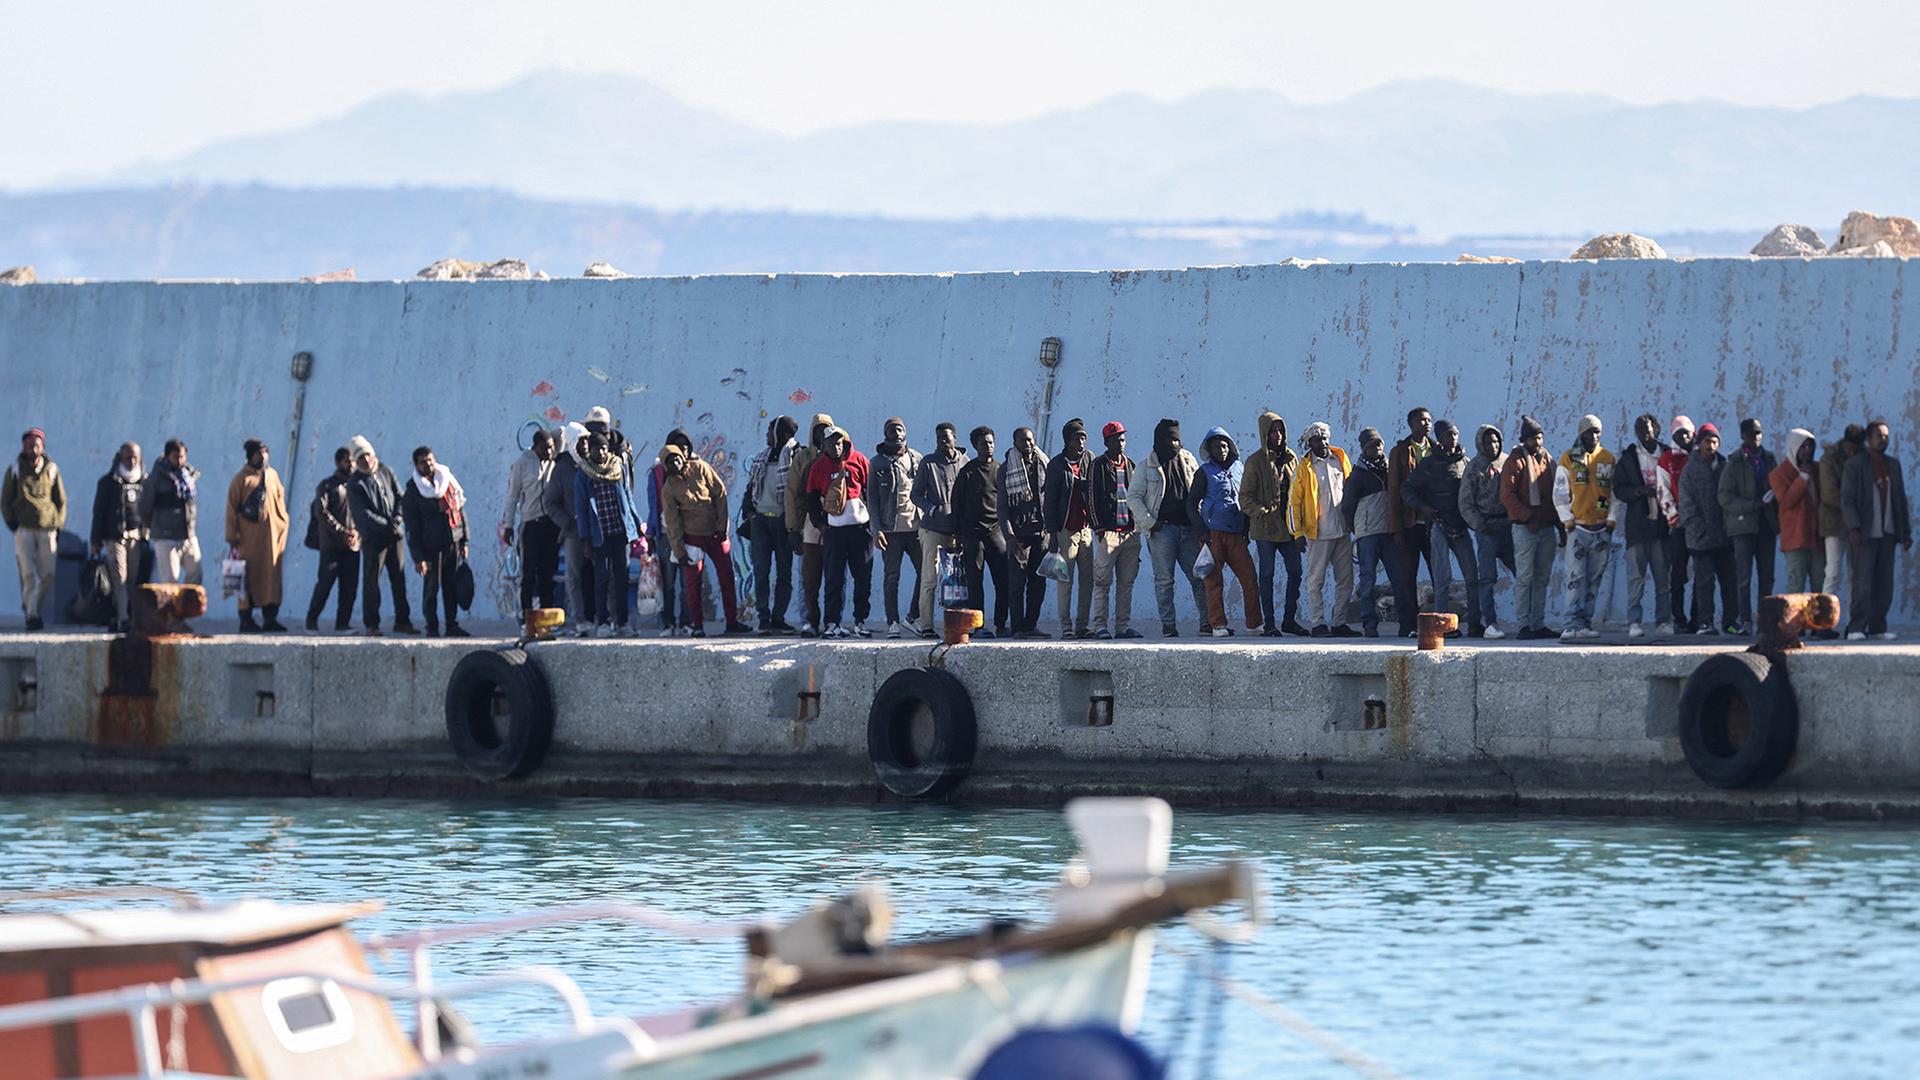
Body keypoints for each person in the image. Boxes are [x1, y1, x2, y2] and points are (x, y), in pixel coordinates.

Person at [1125, 418, 1207, 637]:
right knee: (1164, 581)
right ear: (1159, 440)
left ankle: (1207, 623)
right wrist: (1151, 522)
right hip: (1163, 531)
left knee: (1199, 576)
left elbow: (1199, 487)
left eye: (1177, 440)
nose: (1174, 444)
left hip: (1189, 529)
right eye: (1169, 439)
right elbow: (1133, 497)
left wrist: (1200, 520)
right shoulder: (1146, 466)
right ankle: (1169, 626)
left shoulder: (1188, 458)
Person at [661, 439, 750, 638]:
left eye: (677, 458)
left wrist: (722, 526)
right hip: (692, 540)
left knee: (727, 577)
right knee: (693, 584)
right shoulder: (668, 488)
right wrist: (679, 550)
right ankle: (697, 625)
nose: (675, 463)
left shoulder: (701, 468)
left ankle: (732, 622)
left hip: (715, 535)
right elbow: (672, 520)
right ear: (665, 466)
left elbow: (720, 494)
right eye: (669, 461)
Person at [1405, 420, 1480, 637]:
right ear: (1440, 438)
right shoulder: (1430, 464)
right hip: (1439, 525)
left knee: (1472, 576)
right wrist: (1423, 508)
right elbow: (1407, 488)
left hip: (1460, 526)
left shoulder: (1465, 462)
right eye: (1448, 435)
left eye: (1455, 434)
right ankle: (1442, 626)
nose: (1453, 438)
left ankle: (1475, 624)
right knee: (1442, 578)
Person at [1240, 412, 1308, 637]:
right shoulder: (1255, 461)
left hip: (1289, 527)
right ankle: (1269, 623)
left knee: (1296, 572)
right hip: (1265, 529)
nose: (1277, 435)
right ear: (1264, 433)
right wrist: (1262, 512)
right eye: (1272, 431)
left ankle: (1289, 620)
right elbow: (1245, 497)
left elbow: (1300, 491)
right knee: (1266, 575)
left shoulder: (1291, 458)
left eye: (1280, 430)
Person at [1841, 420, 1911, 640]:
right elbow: (1847, 499)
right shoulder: (1855, 465)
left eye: (1887, 436)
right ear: (1869, 438)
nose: (1884, 439)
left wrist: (1905, 533)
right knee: (1862, 583)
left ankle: (1878, 627)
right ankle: (1856, 627)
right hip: (1864, 533)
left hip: (1888, 533)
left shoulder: (1893, 464)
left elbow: (1900, 499)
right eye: (1880, 435)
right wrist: (1853, 527)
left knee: (1884, 585)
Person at [1189, 425, 1260, 638]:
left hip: (1237, 534)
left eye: (1224, 445)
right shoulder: (1203, 472)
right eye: (1216, 447)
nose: (1221, 450)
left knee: (1249, 579)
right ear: (1209, 450)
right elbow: (1192, 503)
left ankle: (1255, 624)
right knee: (1213, 582)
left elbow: (1246, 499)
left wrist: (1246, 530)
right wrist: (1201, 531)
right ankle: (1218, 625)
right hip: (1213, 535)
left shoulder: (1240, 468)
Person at [1343, 427, 1414, 638]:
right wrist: (1357, 529)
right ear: (1364, 449)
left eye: (1380, 443)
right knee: (1368, 581)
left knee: (1399, 579)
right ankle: (1369, 624)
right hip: (1367, 535)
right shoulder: (1357, 476)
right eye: (1373, 445)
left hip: (1389, 532)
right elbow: (1347, 507)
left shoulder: (1389, 471)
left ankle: (1405, 623)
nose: (1378, 448)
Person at [804, 426, 874, 638]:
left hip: (860, 531)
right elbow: (811, 498)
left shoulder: (860, 460)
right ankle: (832, 622)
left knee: (863, 577)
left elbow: (872, 493)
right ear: (823, 445)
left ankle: (860, 621)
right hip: (834, 532)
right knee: (834, 578)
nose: (836, 447)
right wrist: (820, 525)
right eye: (831, 443)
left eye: (839, 442)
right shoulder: (818, 467)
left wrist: (873, 524)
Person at [345, 435, 418, 637]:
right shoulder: (355, 484)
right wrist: (388, 525)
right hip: (374, 539)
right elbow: (363, 516)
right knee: (372, 582)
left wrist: (398, 517)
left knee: (399, 578)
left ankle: (403, 620)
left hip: (395, 536)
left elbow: (400, 497)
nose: (366, 460)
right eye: (360, 458)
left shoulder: (386, 470)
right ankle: (372, 624)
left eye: (367, 455)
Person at [1289, 422, 1357, 637]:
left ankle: (1339, 623)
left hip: (1343, 531)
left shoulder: (1340, 459)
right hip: (1317, 533)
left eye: (1325, 438)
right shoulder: (1304, 467)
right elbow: (1294, 503)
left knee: (1345, 580)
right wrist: (1297, 533)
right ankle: (1318, 623)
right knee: (1316, 580)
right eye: (1318, 439)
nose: (1323, 442)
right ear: (1310, 443)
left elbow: (1352, 490)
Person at [1553, 414, 1616, 642]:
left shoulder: (1607, 458)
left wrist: (1612, 520)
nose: (1594, 435)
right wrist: (1566, 519)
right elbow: (1560, 492)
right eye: (1590, 431)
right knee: (1575, 577)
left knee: (1594, 578)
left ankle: (1586, 622)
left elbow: (1614, 493)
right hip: (1578, 528)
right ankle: (1570, 624)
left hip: (1601, 529)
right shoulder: (1569, 458)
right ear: (1581, 433)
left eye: (1598, 431)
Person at [1612, 413, 1675, 638]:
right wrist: (1639, 491)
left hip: (1661, 526)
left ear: (1656, 430)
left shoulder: (1667, 454)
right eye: (1639, 429)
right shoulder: (1629, 457)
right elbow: (1618, 488)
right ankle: (1634, 622)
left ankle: (1663, 620)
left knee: (1662, 577)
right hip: (1638, 527)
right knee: (1635, 578)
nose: (1644, 433)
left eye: (1647, 428)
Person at [1499, 415, 1559, 640]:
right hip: (1525, 528)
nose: (1538, 441)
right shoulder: (1515, 461)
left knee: (1542, 577)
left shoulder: (1547, 460)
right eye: (1534, 438)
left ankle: (1538, 623)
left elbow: (1558, 493)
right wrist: (1527, 517)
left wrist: (1559, 526)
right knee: (1525, 577)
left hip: (1546, 528)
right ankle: (1524, 625)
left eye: (1540, 437)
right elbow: (1507, 496)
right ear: (1524, 440)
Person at [400, 446, 470, 638]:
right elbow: (411, 529)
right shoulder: (413, 493)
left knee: (451, 587)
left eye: (430, 459)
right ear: (416, 465)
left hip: (452, 542)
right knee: (431, 590)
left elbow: (460, 510)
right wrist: (418, 557)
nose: (428, 464)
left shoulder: (447, 480)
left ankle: (452, 625)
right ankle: (432, 627)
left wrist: (464, 540)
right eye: (423, 461)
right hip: (430, 548)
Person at [1717, 418, 1778, 636]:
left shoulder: (1769, 459)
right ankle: (1745, 620)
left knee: (1767, 577)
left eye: (1759, 433)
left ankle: (1766, 620)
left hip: (1767, 525)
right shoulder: (1734, 462)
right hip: (1743, 526)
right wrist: (1752, 505)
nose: (1756, 438)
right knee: (1743, 577)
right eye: (1752, 434)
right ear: (1743, 436)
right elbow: (1725, 497)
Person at [741, 415, 800, 634]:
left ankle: (779, 617)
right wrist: (749, 512)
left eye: (770, 431)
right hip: (761, 523)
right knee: (761, 572)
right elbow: (751, 487)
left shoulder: (795, 456)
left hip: (784, 523)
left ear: (782, 434)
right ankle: (763, 618)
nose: (766, 435)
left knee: (784, 573)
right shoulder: (761, 458)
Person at [224, 437, 290, 633]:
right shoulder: (241, 479)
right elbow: (230, 510)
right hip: (248, 541)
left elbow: (280, 503)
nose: (262, 457)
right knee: (248, 578)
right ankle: (246, 619)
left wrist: (283, 524)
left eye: (265, 453)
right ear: (250, 456)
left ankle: (270, 618)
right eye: (258, 454)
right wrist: (231, 536)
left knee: (271, 578)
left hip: (272, 540)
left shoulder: (273, 476)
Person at [3, 429, 66, 631]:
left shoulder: (52, 470)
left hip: (47, 529)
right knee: (28, 574)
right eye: (30, 444)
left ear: (43, 446)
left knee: (48, 574)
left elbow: (61, 500)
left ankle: (31, 604)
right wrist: (12, 522)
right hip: (24, 530)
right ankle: (32, 614)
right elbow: (5, 501)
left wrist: (59, 524)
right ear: (23, 446)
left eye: (37, 444)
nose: (33, 448)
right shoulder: (14, 469)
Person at [1678, 424, 1737, 636]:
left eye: (1714, 442)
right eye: (1706, 441)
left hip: (1724, 537)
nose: (1710, 446)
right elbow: (1685, 503)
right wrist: (1699, 527)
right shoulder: (1690, 469)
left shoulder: (1724, 466)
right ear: (1699, 443)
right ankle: (1705, 622)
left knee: (1730, 583)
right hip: (1700, 538)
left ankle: (1731, 622)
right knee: (1704, 584)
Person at [576, 434, 638, 637]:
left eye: (604, 448)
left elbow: (627, 496)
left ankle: (623, 622)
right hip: (599, 536)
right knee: (601, 579)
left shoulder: (617, 467)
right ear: (590, 451)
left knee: (622, 578)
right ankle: (602, 622)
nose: (601, 452)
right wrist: (585, 539)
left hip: (619, 532)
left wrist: (636, 524)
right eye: (596, 449)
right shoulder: (584, 474)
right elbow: (582, 509)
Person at [1084, 421, 1141, 640]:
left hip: (1130, 532)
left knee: (1126, 583)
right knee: (1102, 582)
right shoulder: (1098, 465)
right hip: (1107, 533)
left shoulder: (1131, 465)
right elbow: (1091, 497)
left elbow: (1137, 496)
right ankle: (1100, 625)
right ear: (1107, 442)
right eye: (1116, 439)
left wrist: (1137, 526)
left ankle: (1122, 626)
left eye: (1123, 439)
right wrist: (1098, 527)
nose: (1121, 443)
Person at [910, 421, 966, 639]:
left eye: (947, 437)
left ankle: (953, 626)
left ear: (955, 437)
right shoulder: (928, 463)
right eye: (939, 438)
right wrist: (931, 509)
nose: (943, 441)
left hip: (956, 530)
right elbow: (916, 494)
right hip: (933, 529)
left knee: (954, 580)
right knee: (929, 579)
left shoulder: (964, 462)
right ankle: (926, 626)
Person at [868, 417, 922, 637]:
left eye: (899, 429)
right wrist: (876, 529)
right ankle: (893, 623)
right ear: (885, 434)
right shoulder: (877, 463)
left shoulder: (916, 458)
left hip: (916, 527)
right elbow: (872, 499)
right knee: (892, 577)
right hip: (891, 531)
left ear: (905, 432)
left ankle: (913, 617)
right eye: (891, 430)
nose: (896, 433)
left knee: (927, 572)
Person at [1457, 424, 1511, 639]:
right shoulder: (1474, 468)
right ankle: (1490, 622)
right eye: (1488, 442)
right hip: (1486, 528)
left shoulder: (1507, 462)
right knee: (1487, 578)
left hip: (1507, 526)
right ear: (1481, 444)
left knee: (1524, 572)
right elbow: (1465, 503)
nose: (1493, 445)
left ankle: (1530, 622)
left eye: (1496, 441)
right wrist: (1479, 524)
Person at [953, 426, 1008, 637]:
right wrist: (957, 534)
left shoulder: (999, 469)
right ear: (976, 446)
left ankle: (1002, 624)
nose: (989, 446)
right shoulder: (967, 472)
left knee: (1002, 579)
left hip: (995, 531)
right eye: (984, 443)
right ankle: (978, 625)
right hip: (972, 534)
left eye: (991, 442)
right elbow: (956, 503)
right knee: (975, 582)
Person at [1043, 419, 1096, 638]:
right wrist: (1053, 533)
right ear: (1067, 441)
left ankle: (1082, 625)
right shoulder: (1056, 465)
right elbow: (1050, 502)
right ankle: (1066, 625)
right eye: (1077, 438)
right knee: (1066, 581)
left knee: (1088, 580)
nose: (1081, 442)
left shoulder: (1090, 459)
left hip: (1085, 530)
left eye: (1083, 438)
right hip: (1065, 531)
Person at [783, 414, 835, 636]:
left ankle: (834, 621)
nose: (822, 434)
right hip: (808, 526)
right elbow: (793, 493)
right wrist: (793, 528)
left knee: (835, 577)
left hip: (836, 525)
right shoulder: (803, 458)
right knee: (808, 577)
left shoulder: (839, 457)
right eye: (818, 430)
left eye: (826, 430)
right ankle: (809, 622)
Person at [998, 426, 1052, 639]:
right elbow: (1002, 507)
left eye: (1030, 440)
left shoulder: (1043, 464)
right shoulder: (1006, 469)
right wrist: (1009, 536)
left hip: (1040, 533)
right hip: (1019, 536)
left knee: (1038, 582)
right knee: (1016, 584)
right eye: (1023, 441)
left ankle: (1031, 624)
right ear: (1015, 443)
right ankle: (1018, 627)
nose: (1027, 445)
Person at [89, 441, 147, 633]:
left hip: (136, 537)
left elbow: (148, 510)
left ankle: (124, 614)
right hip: (115, 538)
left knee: (131, 580)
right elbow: (98, 513)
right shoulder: (108, 482)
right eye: (128, 457)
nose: (131, 461)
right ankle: (123, 619)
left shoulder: (144, 482)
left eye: (135, 457)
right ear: (120, 457)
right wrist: (95, 541)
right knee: (119, 577)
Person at [544, 423, 595, 636]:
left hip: (594, 531)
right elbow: (550, 503)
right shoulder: (562, 469)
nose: (584, 445)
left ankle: (596, 617)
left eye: (586, 440)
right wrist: (568, 523)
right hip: (574, 533)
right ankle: (580, 618)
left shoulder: (591, 464)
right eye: (580, 441)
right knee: (573, 577)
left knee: (595, 575)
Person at [503, 429, 558, 619]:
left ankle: (546, 617)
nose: (549, 452)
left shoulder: (554, 461)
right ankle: (527, 617)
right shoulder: (522, 464)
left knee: (547, 574)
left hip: (550, 525)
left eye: (552, 448)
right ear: (535, 447)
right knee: (528, 573)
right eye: (545, 448)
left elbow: (564, 434)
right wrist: (508, 525)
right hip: (531, 525)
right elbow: (512, 497)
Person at [647, 428, 698, 633]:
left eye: (686, 448)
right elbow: (653, 505)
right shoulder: (658, 472)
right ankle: (668, 623)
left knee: (688, 584)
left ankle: (687, 622)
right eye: (678, 447)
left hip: (690, 534)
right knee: (667, 583)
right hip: (667, 535)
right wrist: (651, 533)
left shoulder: (695, 469)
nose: (683, 452)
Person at [305, 446, 360, 633]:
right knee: (324, 585)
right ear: (338, 463)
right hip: (331, 546)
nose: (351, 464)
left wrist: (357, 533)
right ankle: (311, 621)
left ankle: (342, 624)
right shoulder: (326, 486)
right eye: (347, 460)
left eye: (353, 460)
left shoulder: (357, 486)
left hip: (352, 546)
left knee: (349, 588)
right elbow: (322, 514)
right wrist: (342, 531)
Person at [1388, 407, 1438, 609]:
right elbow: (1393, 492)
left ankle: (1440, 620)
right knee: (1408, 574)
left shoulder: (1437, 450)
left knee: (1438, 572)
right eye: (1421, 420)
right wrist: (1396, 529)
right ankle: (1408, 623)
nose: (1426, 424)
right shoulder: (1400, 451)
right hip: (1410, 523)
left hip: (1433, 523)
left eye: (1428, 420)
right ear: (1411, 424)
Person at [1770, 428, 1825, 603]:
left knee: (1820, 584)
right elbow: (1786, 502)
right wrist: (1802, 478)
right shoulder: (1779, 474)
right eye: (1803, 446)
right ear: (1794, 448)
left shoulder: (1818, 469)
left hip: (1817, 536)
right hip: (1796, 537)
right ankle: (1795, 627)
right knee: (1796, 585)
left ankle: (1821, 625)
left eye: (1810, 446)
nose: (1807, 451)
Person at [140, 438, 201, 587]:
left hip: (188, 535)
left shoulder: (188, 477)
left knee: (195, 574)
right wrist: (147, 529)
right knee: (170, 581)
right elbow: (145, 507)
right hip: (166, 536)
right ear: (167, 456)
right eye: (176, 457)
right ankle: (171, 610)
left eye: (182, 457)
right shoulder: (156, 479)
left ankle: (187, 608)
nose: (179, 461)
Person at [1818, 423, 1864, 608]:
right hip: (1834, 522)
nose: (1852, 453)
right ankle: (1823, 620)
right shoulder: (1830, 458)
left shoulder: (1864, 457)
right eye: (1850, 449)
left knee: (1857, 574)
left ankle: (1854, 621)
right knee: (1833, 572)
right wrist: (1854, 508)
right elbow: (1829, 494)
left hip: (1858, 523)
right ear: (1845, 443)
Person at [1658, 417, 1697, 630]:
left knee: (1700, 573)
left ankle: (1697, 618)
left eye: (1687, 433)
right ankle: (1679, 618)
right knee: (1678, 574)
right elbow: (1663, 491)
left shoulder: (1700, 457)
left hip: (1699, 525)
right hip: (1679, 525)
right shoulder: (1667, 459)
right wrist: (1674, 516)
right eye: (1678, 434)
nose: (1683, 438)